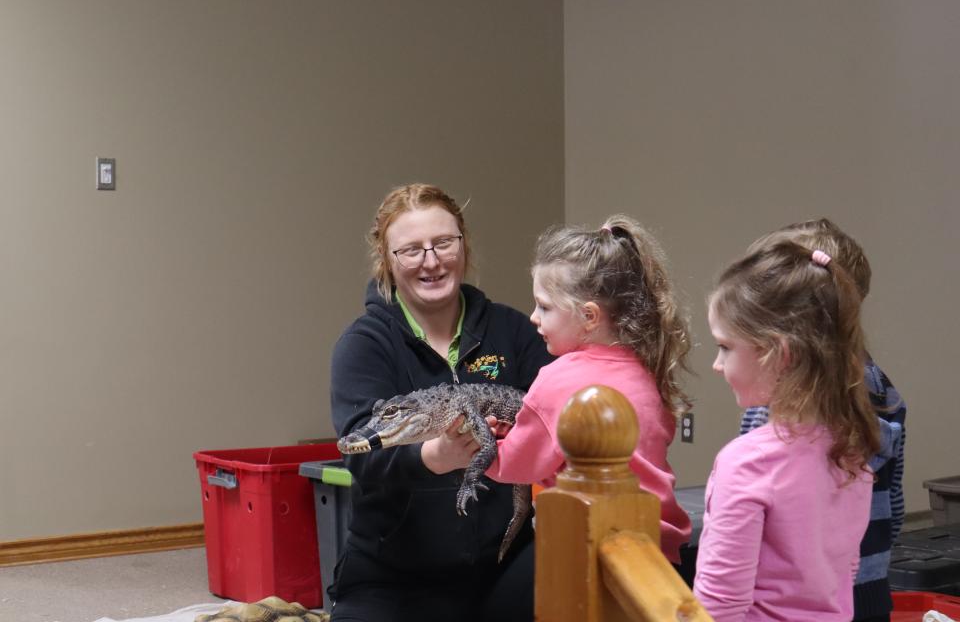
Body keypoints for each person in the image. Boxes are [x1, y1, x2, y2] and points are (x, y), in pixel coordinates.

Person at [328, 183, 553, 622]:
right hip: (394, 573)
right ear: (387, 262)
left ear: (463, 245)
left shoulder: (516, 330)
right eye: (410, 250)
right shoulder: (363, 345)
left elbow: (558, 415)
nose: (430, 261)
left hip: (504, 561)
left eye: (443, 243)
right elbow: (360, 459)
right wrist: (434, 457)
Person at [450, 215, 693, 566]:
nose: (533, 317)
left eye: (545, 306)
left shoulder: (560, 379)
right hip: (657, 550)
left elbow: (518, 465)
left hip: (594, 550)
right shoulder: (644, 369)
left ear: (589, 316)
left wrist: (480, 444)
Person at [694, 241, 881, 621]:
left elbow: (718, 607)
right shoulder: (851, 450)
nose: (717, 364)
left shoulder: (745, 463)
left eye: (725, 347)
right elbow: (844, 576)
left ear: (779, 354)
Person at [737, 218, 906, 622]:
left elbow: (761, 502)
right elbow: (894, 502)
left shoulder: (782, 395)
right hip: (868, 585)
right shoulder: (882, 387)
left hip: (794, 595)